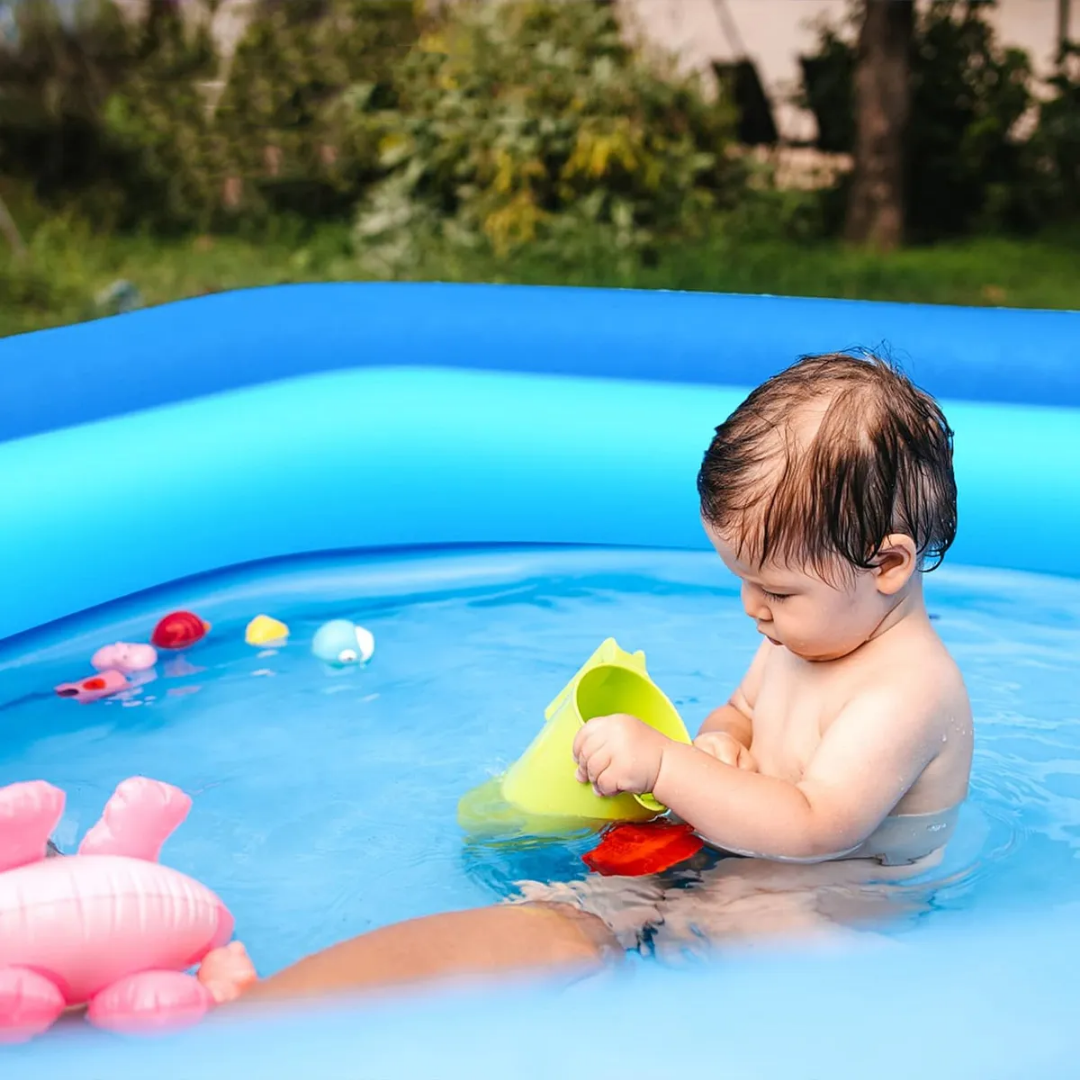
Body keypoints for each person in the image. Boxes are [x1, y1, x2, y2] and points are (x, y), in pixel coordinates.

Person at [203, 350, 975, 1004]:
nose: (752, 609)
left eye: (775, 591)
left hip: (821, 902)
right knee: (559, 917)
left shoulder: (905, 692)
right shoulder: (811, 633)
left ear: (888, 563)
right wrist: (716, 742)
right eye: (742, 582)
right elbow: (742, 709)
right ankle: (283, 1009)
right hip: (718, 855)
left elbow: (813, 827)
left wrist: (670, 767)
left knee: (757, 932)